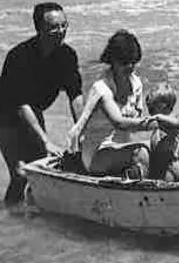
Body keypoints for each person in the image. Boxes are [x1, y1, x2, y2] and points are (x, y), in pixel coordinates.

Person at [0, 3, 85, 206]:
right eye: (54, 27)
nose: (61, 31)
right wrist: (46, 141)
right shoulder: (19, 56)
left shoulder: (67, 55)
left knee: (40, 173)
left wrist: (82, 130)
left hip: (33, 110)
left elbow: (75, 96)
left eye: (64, 25)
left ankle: (32, 214)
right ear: (39, 29)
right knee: (21, 173)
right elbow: (20, 104)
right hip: (6, 112)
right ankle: (10, 215)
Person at [64, 30, 170, 179]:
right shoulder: (101, 88)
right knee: (141, 153)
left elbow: (135, 123)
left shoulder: (136, 84)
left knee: (163, 148)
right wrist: (158, 123)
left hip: (121, 148)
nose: (130, 66)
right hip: (97, 153)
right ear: (113, 61)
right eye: (125, 63)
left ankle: (153, 184)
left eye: (133, 62)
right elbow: (119, 122)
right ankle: (135, 189)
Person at [144, 82, 179, 182]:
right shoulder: (159, 126)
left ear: (165, 107)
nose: (150, 112)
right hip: (162, 168)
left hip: (168, 169)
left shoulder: (171, 121)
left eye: (153, 108)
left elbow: (176, 123)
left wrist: (158, 117)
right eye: (149, 107)